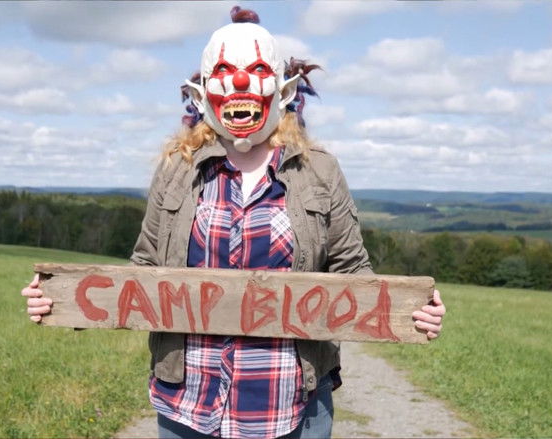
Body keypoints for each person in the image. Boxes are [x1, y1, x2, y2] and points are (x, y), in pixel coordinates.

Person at [22, 6, 446, 439]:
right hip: (190, 404)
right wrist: (65, 299)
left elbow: (352, 271)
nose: (240, 82)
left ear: (283, 88)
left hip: (290, 405)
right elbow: (145, 269)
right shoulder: (177, 168)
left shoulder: (319, 170)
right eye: (224, 71)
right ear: (202, 91)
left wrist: (410, 310)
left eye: (257, 70)